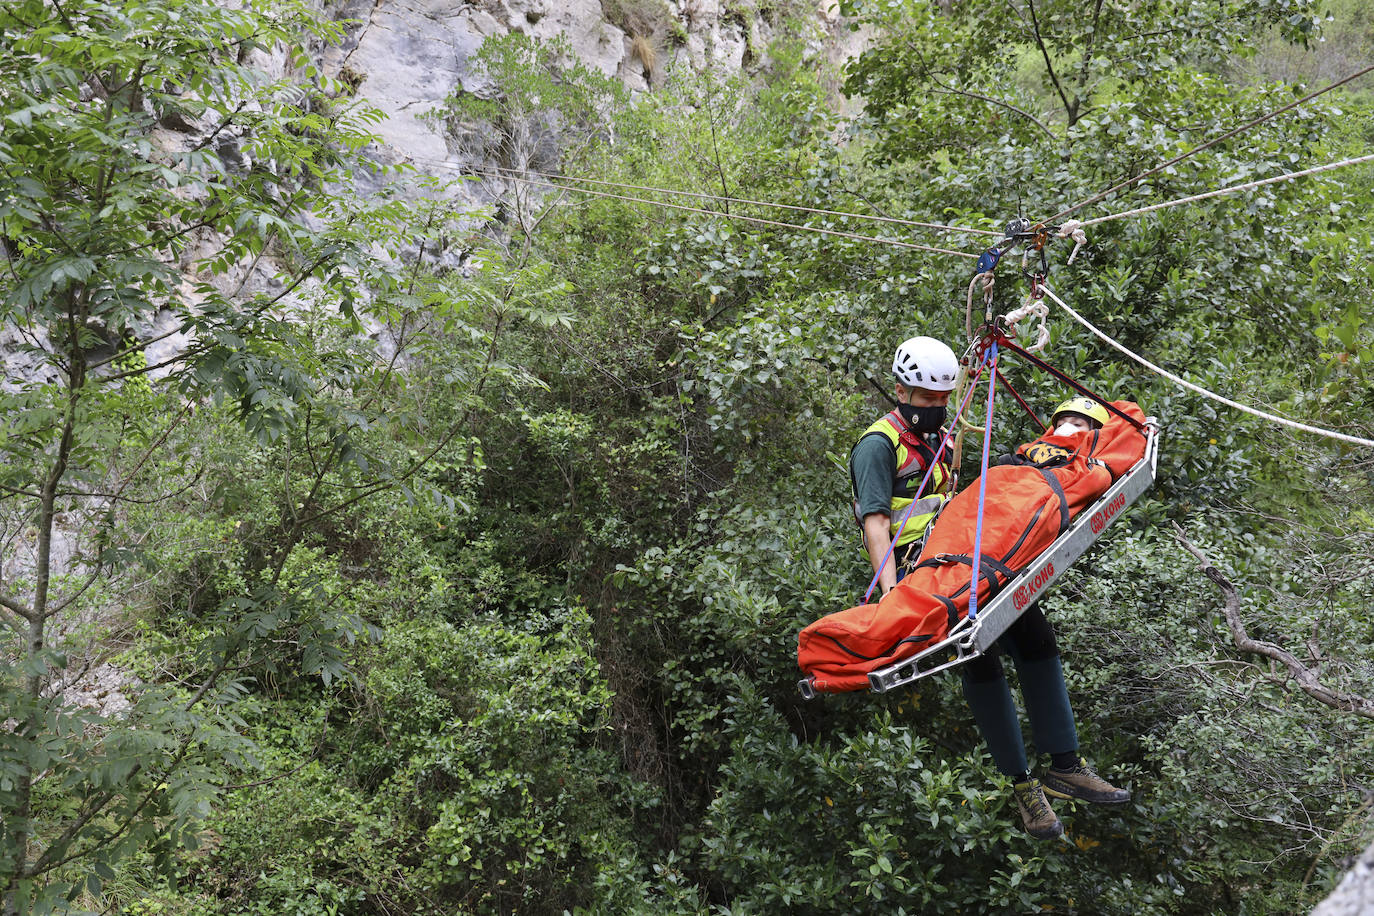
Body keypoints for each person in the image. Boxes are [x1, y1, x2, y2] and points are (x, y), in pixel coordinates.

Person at [961, 394, 1130, 840]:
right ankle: (1024, 787)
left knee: (1037, 641)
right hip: (956, 555)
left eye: (1082, 421)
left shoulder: (1086, 456)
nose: (1072, 425)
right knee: (977, 654)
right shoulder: (1015, 455)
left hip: (999, 557)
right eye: (1067, 418)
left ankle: (1065, 766)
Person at [848, 336, 959, 599]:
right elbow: (876, 524)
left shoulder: (940, 436)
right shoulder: (878, 445)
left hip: (948, 546)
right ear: (901, 392)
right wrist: (889, 589)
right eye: (929, 398)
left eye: (945, 398)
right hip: (910, 562)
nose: (938, 406)